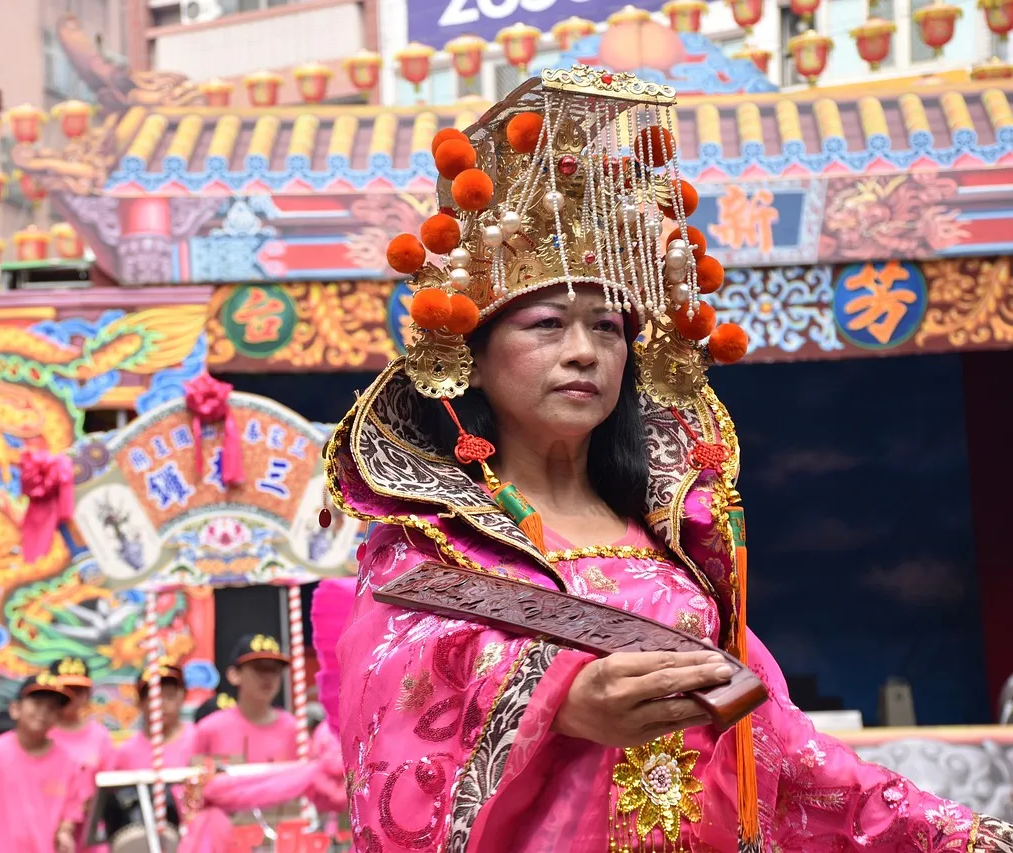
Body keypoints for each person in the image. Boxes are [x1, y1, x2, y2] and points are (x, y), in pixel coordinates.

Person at [325, 71, 1013, 851]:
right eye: (547, 324)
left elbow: (781, 745)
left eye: (609, 328)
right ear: (473, 359)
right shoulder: (432, 549)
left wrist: (954, 833)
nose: (583, 351)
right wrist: (556, 698)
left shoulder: (673, 547)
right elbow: (391, 687)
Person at [0, 674, 90, 853]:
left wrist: (64, 833)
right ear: (15, 708)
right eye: (37, 703)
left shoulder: (69, 762)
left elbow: (71, 813)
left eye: (52, 707)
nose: (43, 712)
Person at [189, 634, 298, 764]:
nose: (268, 676)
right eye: (259, 668)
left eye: (275, 669)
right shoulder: (209, 729)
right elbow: (192, 777)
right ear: (234, 675)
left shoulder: (294, 729)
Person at [47, 656, 115, 853]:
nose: (71, 697)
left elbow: (106, 789)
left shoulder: (100, 736)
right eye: (64, 691)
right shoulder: (43, 734)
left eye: (78, 691)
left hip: (90, 837)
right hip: (47, 832)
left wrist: (79, 809)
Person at [113, 659, 195, 773]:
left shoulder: (199, 740)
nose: (160, 704)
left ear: (182, 698)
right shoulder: (126, 753)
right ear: (140, 703)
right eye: (153, 697)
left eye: (169, 696)